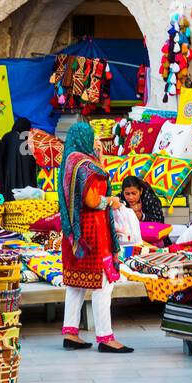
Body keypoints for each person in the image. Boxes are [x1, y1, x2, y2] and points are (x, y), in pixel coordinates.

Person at [58, 121, 133, 354]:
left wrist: (98, 155)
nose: (95, 141)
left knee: (75, 285)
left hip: (75, 233)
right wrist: (111, 200)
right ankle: (105, 337)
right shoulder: (85, 165)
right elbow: (92, 200)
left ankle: (70, 332)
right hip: (93, 231)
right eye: (93, 137)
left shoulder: (70, 161)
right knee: (104, 284)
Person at [0, 117, 38, 201]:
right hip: (21, 183)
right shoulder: (23, 141)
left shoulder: (6, 137)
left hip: (7, 177)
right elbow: (29, 162)